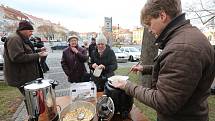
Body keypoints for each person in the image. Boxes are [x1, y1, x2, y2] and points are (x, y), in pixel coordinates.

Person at [111, 0, 215, 121]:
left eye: (149, 24)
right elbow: (174, 72)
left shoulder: (182, 48)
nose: (149, 29)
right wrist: (145, 68)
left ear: (162, 16)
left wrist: (128, 86)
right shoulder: (187, 35)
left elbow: (164, 102)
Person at [4, 20, 48, 95]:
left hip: (27, 75)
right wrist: (38, 55)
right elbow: (17, 57)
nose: (31, 33)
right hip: (22, 77)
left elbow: (26, 52)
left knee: (34, 98)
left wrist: (38, 50)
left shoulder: (21, 38)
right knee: (31, 99)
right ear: (23, 30)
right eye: (30, 31)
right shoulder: (15, 38)